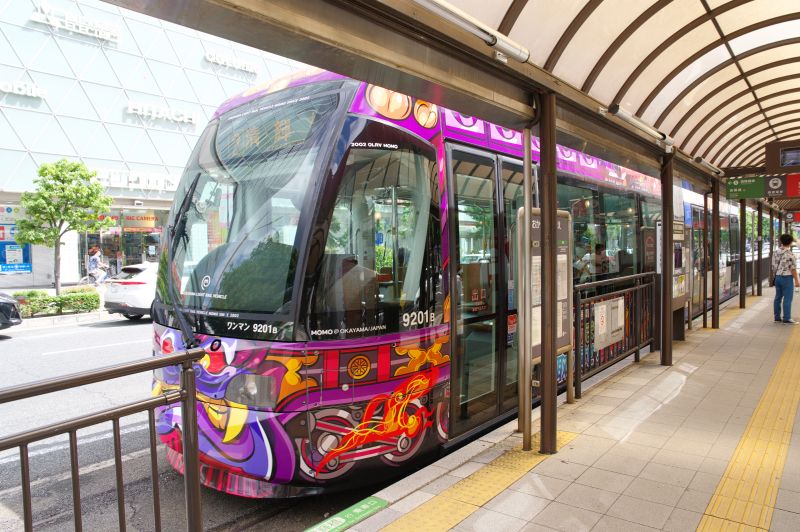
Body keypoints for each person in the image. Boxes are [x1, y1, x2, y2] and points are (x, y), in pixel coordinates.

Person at [772, 233, 800, 324]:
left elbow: (773, 266)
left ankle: (777, 318)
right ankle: (787, 318)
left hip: (777, 277)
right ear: (791, 242)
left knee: (778, 298)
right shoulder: (790, 254)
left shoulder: (776, 252)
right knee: (788, 298)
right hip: (787, 278)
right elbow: (793, 269)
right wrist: (796, 280)